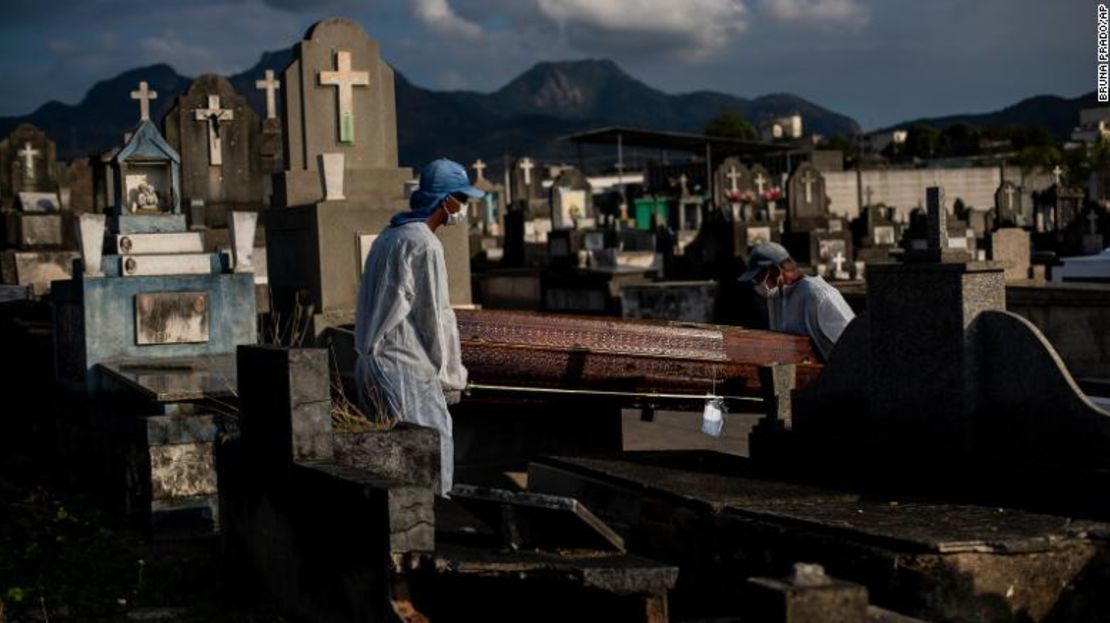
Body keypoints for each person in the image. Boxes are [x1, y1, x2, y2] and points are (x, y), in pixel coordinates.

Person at [354, 158, 483, 496]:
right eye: (462, 199)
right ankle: (426, 527)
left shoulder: (389, 237)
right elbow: (436, 317)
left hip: (370, 363)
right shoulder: (424, 244)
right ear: (447, 200)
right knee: (431, 453)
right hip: (403, 366)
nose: (464, 207)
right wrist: (451, 374)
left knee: (391, 461)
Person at [738, 242, 855, 361]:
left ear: (776, 270)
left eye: (758, 277)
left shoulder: (819, 296)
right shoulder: (775, 297)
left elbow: (853, 345)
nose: (756, 284)